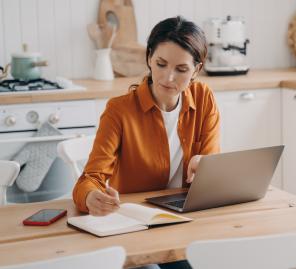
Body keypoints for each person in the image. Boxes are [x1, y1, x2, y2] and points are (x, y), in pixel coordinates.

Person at [72, 16, 219, 269]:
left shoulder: (203, 98)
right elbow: (89, 179)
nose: (168, 77)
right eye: (161, 64)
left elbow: (212, 170)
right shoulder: (118, 111)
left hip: (187, 223)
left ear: (196, 69)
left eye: (181, 69)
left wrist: (203, 164)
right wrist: (91, 197)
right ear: (149, 57)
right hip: (135, 228)